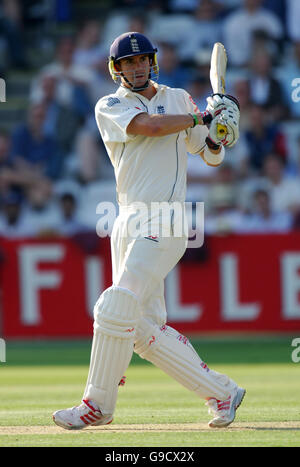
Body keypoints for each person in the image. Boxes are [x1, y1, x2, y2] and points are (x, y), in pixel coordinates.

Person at [52, 32, 244, 430]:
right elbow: (150, 127)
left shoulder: (177, 97)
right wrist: (203, 117)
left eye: (142, 61)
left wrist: (222, 129)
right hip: (127, 220)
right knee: (140, 329)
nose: (137, 68)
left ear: (152, 62)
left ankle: (96, 405)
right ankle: (222, 392)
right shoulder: (110, 105)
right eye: (128, 63)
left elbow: (208, 154)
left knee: (114, 304)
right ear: (116, 69)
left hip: (167, 219)